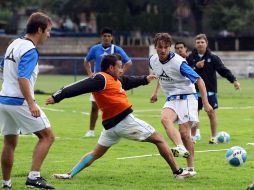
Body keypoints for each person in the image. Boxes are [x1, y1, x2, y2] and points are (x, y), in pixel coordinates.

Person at [46, 54, 194, 180]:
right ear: (110, 68)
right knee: (160, 139)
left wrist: (145, 79)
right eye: (119, 66)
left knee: (95, 153)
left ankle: (70, 174)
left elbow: (128, 82)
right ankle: (178, 172)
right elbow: (78, 87)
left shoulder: (115, 80)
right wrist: (57, 96)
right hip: (124, 122)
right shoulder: (100, 78)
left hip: (110, 128)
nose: (122, 70)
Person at [0, 12, 55, 189]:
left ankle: (6, 183)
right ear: (39, 30)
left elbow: (2, 68)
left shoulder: (13, 43)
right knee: (47, 136)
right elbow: (23, 78)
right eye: (48, 30)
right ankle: (34, 177)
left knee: (9, 142)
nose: (49, 34)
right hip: (19, 101)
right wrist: (31, 103)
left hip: (4, 100)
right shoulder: (30, 50)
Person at [149, 33, 213, 175]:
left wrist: (206, 103)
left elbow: (199, 80)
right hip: (172, 98)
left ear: (170, 47)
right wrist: (155, 93)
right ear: (155, 47)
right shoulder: (152, 60)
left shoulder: (179, 63)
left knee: (185, 134)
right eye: (160, 47)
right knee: (164, 119)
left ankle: (191, 167)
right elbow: (161, 75)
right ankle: (179, 147)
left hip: (187, 97)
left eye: (166, 47)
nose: (163, 50)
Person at [186, 34, 240, 144]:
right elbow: (185, 71)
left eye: (202, 42)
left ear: (206, 43)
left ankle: (214, 137)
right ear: (195, 44)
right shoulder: (190, 57)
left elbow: (223, 70)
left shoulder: (213, 58)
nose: (200, 44)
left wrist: (234, 81)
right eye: (198, 42)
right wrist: (196, 66)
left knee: (211, 113)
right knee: (194, 114)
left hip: (209, 90)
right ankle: (193, 137)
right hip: (194, 91)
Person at [83, 27, 132, 137]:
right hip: (98, 82)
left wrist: (121, 72)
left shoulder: (117, 49)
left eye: (109, 36)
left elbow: (128, 62)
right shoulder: (95, 49)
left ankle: (118, 130)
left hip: (112, 83)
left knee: (116, 105)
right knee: (94, 106)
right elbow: (86, 61)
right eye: (105, 36)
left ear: (112, 38)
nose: (107, 38)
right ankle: (91, 131)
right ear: (102, 37)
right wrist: (90, 74)